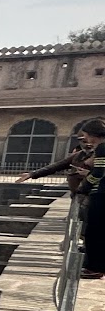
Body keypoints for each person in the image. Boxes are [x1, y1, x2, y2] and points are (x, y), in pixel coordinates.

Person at [18, 118, 105, 278]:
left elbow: (99, 174)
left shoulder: (101, 149)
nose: (86, 142)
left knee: (94, 231)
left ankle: (95, 267)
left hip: (96, 195)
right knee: (89, 231)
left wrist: (84, 186)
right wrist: (32, 174)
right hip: (88, 196)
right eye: (82, 140)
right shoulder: (79, 156)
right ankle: (91, 261)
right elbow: (57, 166)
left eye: (87, 137)